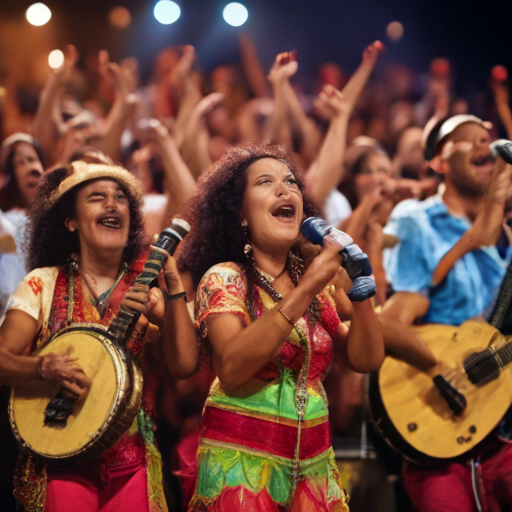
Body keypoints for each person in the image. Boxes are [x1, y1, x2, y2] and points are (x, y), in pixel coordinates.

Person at [178, 142, 384, 511]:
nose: (284, 189)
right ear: (239, 213)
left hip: (313, 467)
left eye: (291, 182)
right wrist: (306, 288)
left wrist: (361, 288)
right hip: (241, 468)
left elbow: (365, 358)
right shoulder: (225, 278)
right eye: (265, 182)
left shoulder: (314, 281)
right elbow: (232, 367)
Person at [0, 161, 197, 511]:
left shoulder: (146, 290)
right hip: (59, 460)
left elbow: (184, 365)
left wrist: (171, 297)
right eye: (96, 197)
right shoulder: (42, 283)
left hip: (131, 463)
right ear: (70, 221)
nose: (112, 204)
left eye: (121, 198)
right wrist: (42, 368)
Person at [381, 114, 512, 511]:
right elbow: (392, 322)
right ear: (437, 162)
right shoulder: (415, 220)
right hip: (443, 420)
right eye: (466, 139)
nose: (484, 146)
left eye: (486, 138)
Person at [0, 133, 45, 320]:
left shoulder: (65, 220)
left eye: (32, 159)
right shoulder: (8, 221)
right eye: (20, 162)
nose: (31, 168)